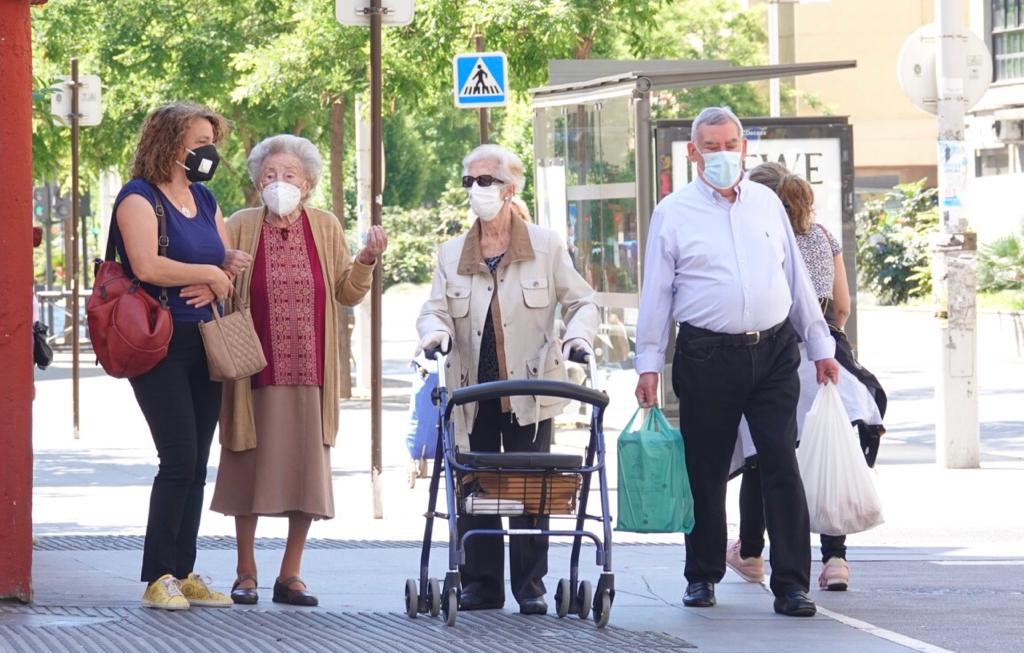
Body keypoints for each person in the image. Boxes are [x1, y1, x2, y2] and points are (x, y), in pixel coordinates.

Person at [633, 107, 840, 618]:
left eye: (730, 144)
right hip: (706, 354)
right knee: (705, 470)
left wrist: (821, 348)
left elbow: (794, 280)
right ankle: (701, 576)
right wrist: (648, 363)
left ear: (744, 148)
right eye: (711, 146)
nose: (722, 154)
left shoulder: (766, 203)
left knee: (780, 464)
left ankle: (791, 584)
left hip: (772, 352)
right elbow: (656, 293)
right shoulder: (674, 211)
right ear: (693, 153)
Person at [416, 144, 598, 615]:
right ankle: (482, 585)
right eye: (470, 182)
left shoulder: (545, 245)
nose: (477, 190)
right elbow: (434, 310)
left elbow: (582, 302)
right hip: (472, 392)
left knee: (528, 487)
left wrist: (578, 338)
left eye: (487, 181)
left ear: (509, 187)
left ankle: (530, 586)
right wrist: (435, 333)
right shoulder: (452, 253)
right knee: (476, 488)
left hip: (532, 392)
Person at [211, 134, 387, 606]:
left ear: (307, 184)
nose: (279, 182)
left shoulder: (325, 226)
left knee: (305, 472)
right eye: (269, 175)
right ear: (256, 183)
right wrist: (224, 265)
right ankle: (245, 570)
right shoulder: (240, 224)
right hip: (253, 368)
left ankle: (290, 574)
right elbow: (218, 288)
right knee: (246, 462)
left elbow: (346, 292)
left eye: (289, 175)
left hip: (310, 369)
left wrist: (366, 261)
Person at [726, 162, 887, 592]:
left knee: (764, 459)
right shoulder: (822, 236)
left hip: (775, 355)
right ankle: (835, 559)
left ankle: (752, 553)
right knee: (830, 450)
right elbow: (842, 306)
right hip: (826, 357)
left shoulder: (759, 237)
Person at [114, 102, 249, 611]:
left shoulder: (205, 196)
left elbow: (222, 256)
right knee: (176, 458)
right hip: (158, 340)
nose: (206, 151)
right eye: (197, 142)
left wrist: (223, 269)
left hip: (207, 339)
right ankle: (158, 576)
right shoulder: (138, 198)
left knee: (197, 464)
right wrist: (209, 275)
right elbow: (146, 264)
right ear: (168, 143)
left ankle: (186, 570)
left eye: (211, 141)